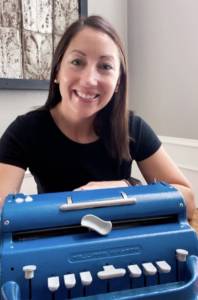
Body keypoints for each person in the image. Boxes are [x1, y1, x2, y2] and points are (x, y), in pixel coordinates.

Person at [0, 15, 195, 219]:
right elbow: (2, 214)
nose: (89, 79)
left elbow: (188, 200)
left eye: (105, 66)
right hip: (57, 244)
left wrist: (127, 186)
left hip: (123, 243)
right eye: (77, 62)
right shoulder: (25, 130)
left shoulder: (131, 127)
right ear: (57, 71)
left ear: (118, 82)